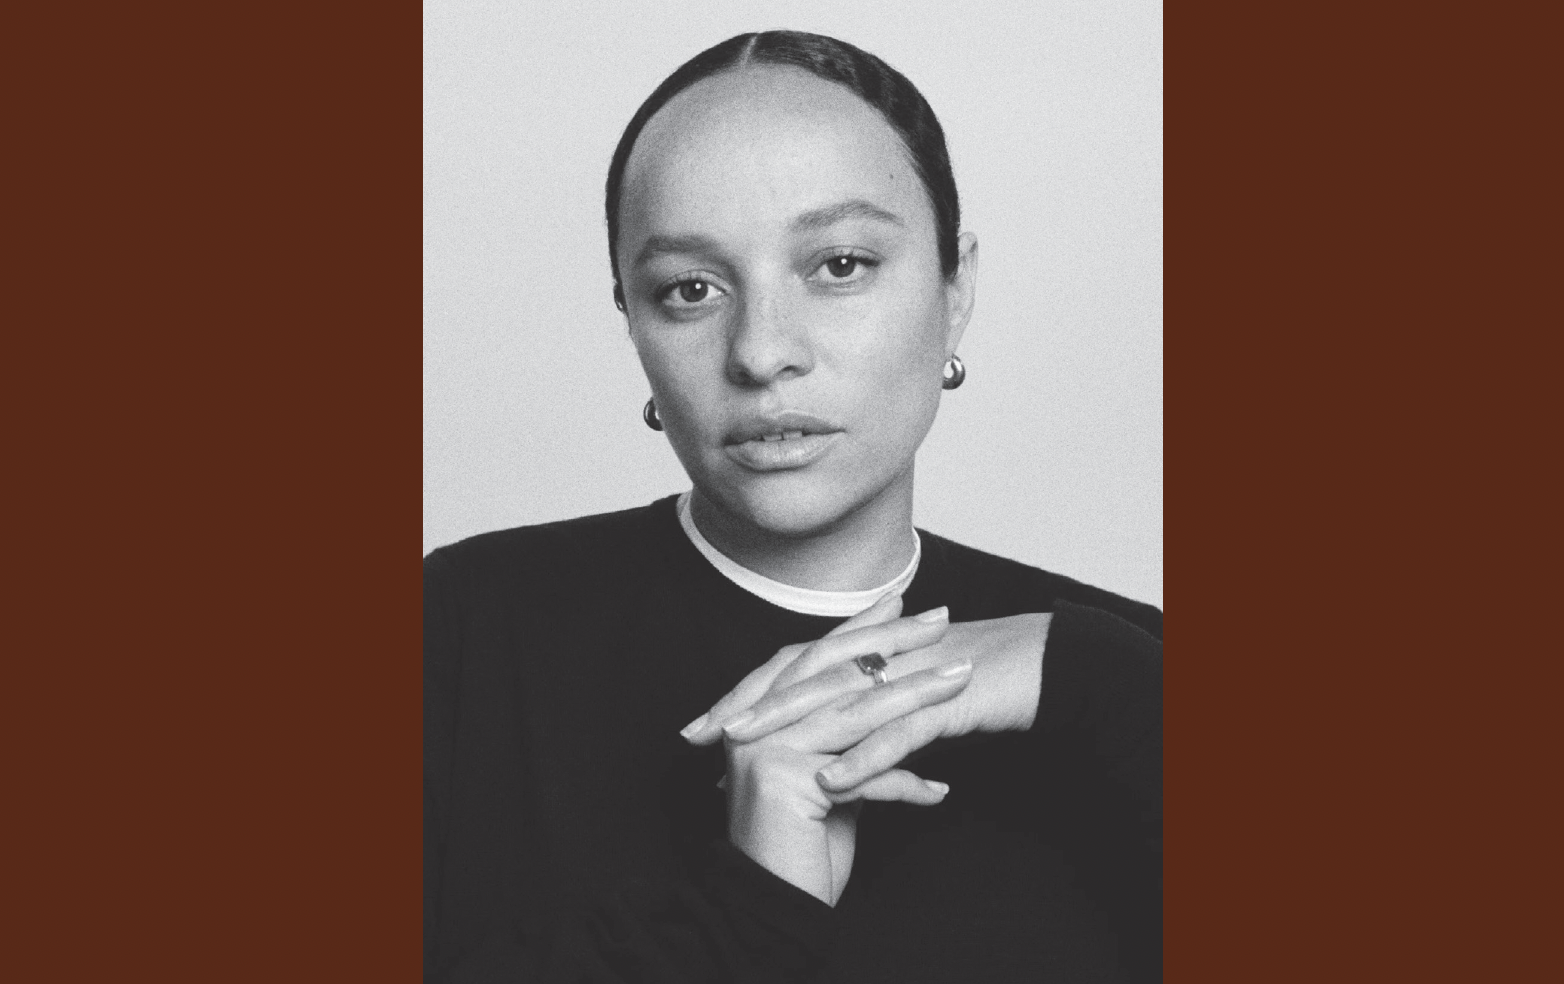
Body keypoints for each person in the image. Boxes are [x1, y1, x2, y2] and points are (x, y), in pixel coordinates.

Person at [424, 29, 1162, 984]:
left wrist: (1098, 676)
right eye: (690, 289)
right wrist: (752, 919)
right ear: (632, 322)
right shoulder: (457, 636)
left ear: (956, 288)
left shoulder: (1119, 678)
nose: (762, 352)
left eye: (840, 265)